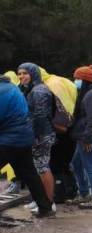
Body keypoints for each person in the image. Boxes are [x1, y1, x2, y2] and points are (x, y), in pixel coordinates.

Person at [0, 74, 54, 217]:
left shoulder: (1, 91)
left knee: (29, 173)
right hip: (23, 138)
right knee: (30, 174)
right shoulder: (12, 87)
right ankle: (45, 208)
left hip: (8, 139)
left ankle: (45, 208)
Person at [16, 63, 56, 210]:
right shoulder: (30, 89)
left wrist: (35, 135)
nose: (21, 76)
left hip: (41, 134)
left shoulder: (40, 91)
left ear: (33, 73)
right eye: (19, 74)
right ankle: (40, 199)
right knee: (37, 168)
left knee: (43, 167)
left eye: (25, 73)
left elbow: (40, 115)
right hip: (35, 133)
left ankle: (49, 202)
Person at [68, 65, 92, 206]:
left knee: (91, 168)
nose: (75, 81)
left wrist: (88, 139)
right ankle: (84, 194)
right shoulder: (88, 93)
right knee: (76, 164)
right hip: (85, 137)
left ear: (84, 80)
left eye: (77, 78)